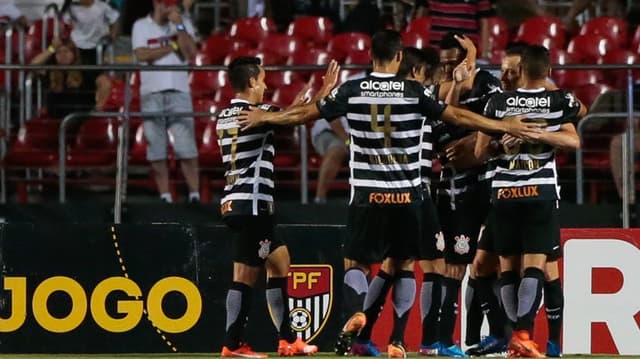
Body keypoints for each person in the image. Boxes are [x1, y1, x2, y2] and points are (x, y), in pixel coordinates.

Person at [238, 29, 543, 359]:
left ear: (371, 57)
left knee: (357, 263)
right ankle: (397, 340)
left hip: (368, 194)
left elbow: (304, 115)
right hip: (408, 195)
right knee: (405, 264)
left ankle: (356, 310)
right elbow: (456, 115)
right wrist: (504, 126)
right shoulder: (413, 91)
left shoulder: (352, 90)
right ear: (399, 57)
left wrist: (266, 116)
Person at [218, 56, 329, 358]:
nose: (266, 85)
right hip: (252, 204)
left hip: (235, 200)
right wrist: (323, 94)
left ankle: (288, 340)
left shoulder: (226, 114)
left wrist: (294, 105)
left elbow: (284, 116)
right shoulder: (255, 112)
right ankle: (233, 344)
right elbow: (297, 118)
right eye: (263, 79)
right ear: (252, 81)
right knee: (244, 275)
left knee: (280, 262)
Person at [477, 45, 584, 358]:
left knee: (508, 267)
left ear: (520, 69)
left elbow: (481, 152)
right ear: (549, 72)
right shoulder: (558, 100)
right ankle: (522, 334)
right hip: (539, 192)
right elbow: (576, 134)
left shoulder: (496, 102)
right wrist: (541, 134)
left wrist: (503, 143)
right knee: (538, 266)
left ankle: (517, 339)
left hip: (504, 193)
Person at [427, 32, 502, 357]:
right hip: (453, 192)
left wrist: (475, 141)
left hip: (489, 187)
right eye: (442, 63)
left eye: (452, 62)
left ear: (468, 60)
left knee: (488, 264)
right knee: (456, 266)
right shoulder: (435, 92)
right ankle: (445, 340)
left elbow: (497, 129)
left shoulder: (488, 84)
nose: (446, 68)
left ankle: (490, 336)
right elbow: (448, 146)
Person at [131, 0, 199, 203]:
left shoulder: (182, 24)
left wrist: (179, 27)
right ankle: (165, 195)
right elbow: (142, 54)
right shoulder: (140, 25)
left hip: (179, 91)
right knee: (156, 147)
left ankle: (194, 194)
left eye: (171, 4)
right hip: (151, 93)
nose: (167, 8)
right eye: (164, 3)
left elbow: (191, 52)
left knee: (186, 146)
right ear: (155, 3)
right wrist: (172, 46)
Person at [29, 36, 109, 119]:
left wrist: (98, 108)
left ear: (74, 53)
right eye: (58, 52)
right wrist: (52, 48)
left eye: (66, 51)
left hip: (81, 120)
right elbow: (33, 66)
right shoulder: (50, 71)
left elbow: (105, 84)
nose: (63, 55)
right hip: (54, 121)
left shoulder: (84, 69)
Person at [422, 0, 495, 59]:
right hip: (436, 54)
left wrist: (485, 54)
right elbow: (420, 18)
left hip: (466, 54)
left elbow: (484, 24)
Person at [60, 0, 120, 66]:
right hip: (78, 45)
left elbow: (115, 21)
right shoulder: (71, 8)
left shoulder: (103, 6)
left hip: (99, 45)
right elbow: (64, 24)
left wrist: (112, 36)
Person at [311, 117, 349, 203]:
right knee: (337, 149)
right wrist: (348, 142)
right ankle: (320, 198)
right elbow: (332, 118)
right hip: (330, 132)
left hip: (360, 135)